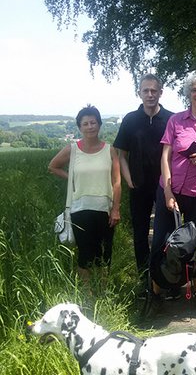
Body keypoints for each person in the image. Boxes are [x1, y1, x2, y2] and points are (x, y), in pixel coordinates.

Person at [149, 68, 196, 316]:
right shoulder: (176, 121)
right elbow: (165, 156)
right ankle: (155, 294)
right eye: (194, 90)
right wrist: (167, 191)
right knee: (161, 244)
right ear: (188, 94)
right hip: (173, 191)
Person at [49, 105, 121, 287]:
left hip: (105, 210)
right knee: (85, 254)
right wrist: (71, 178)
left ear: (99, 124)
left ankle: (103, 292)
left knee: (105, 253)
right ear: (80, 127)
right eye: (85, 123)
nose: (90, 126)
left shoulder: (110, 150)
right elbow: (53, 166)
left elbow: (117, 182)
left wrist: (116, 209)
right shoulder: (72, 150)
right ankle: (87, 295)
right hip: (79, 210)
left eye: (93, 122)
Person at [113, 74, 173, 293]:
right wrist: (129, 180)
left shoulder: (171, 119)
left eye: (153, 90)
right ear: (139, 93)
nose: (150, 94)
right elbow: (121, 154)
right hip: (138, 185)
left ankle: (167, 276)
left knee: (167, 232)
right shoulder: (130, 120)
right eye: (145, 90)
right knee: (140, 233)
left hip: (165, 186)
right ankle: (144, 278)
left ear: (160, 93)